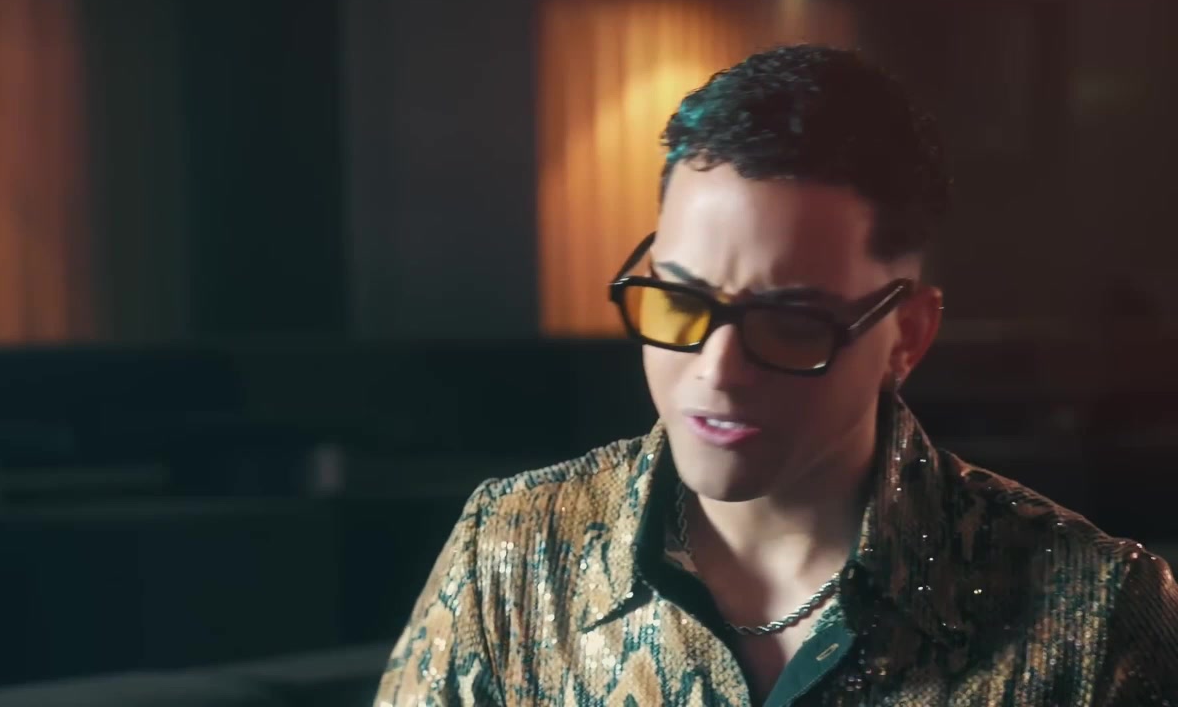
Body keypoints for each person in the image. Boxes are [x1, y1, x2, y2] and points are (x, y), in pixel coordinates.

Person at [373, 44, 1178, 706]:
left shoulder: (1094, 618)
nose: (717, 371)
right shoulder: (512, 554)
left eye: (791, 322)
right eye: (680, 301)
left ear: (906, 335)